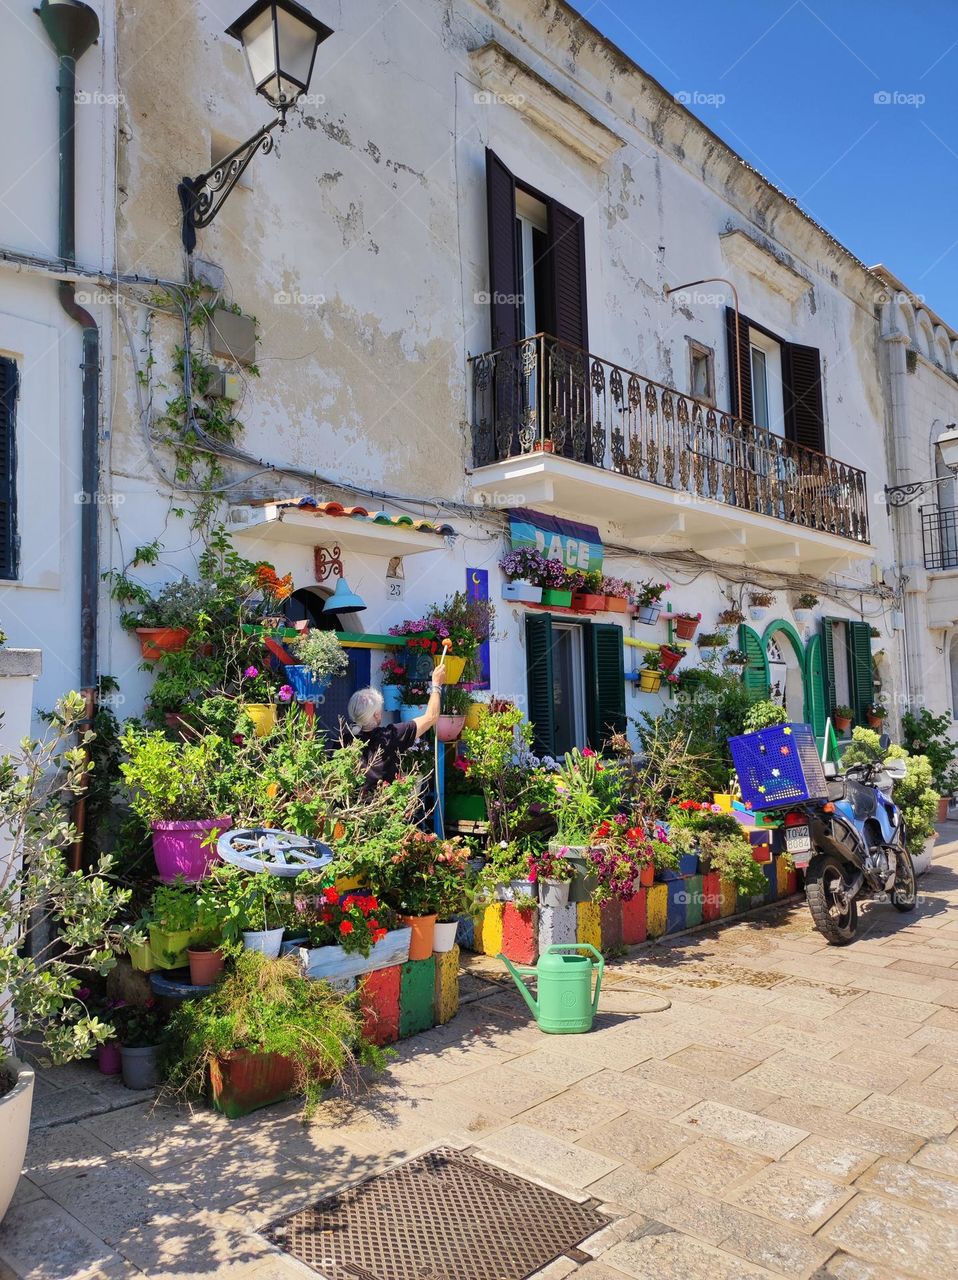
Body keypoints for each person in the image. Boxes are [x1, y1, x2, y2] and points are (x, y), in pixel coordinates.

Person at [345, 659, 447, 789]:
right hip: (383, 806)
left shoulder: (342, 742)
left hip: (349, 808)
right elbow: (431, 717)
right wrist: (436, 685)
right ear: (376, 715)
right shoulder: (390, 735)